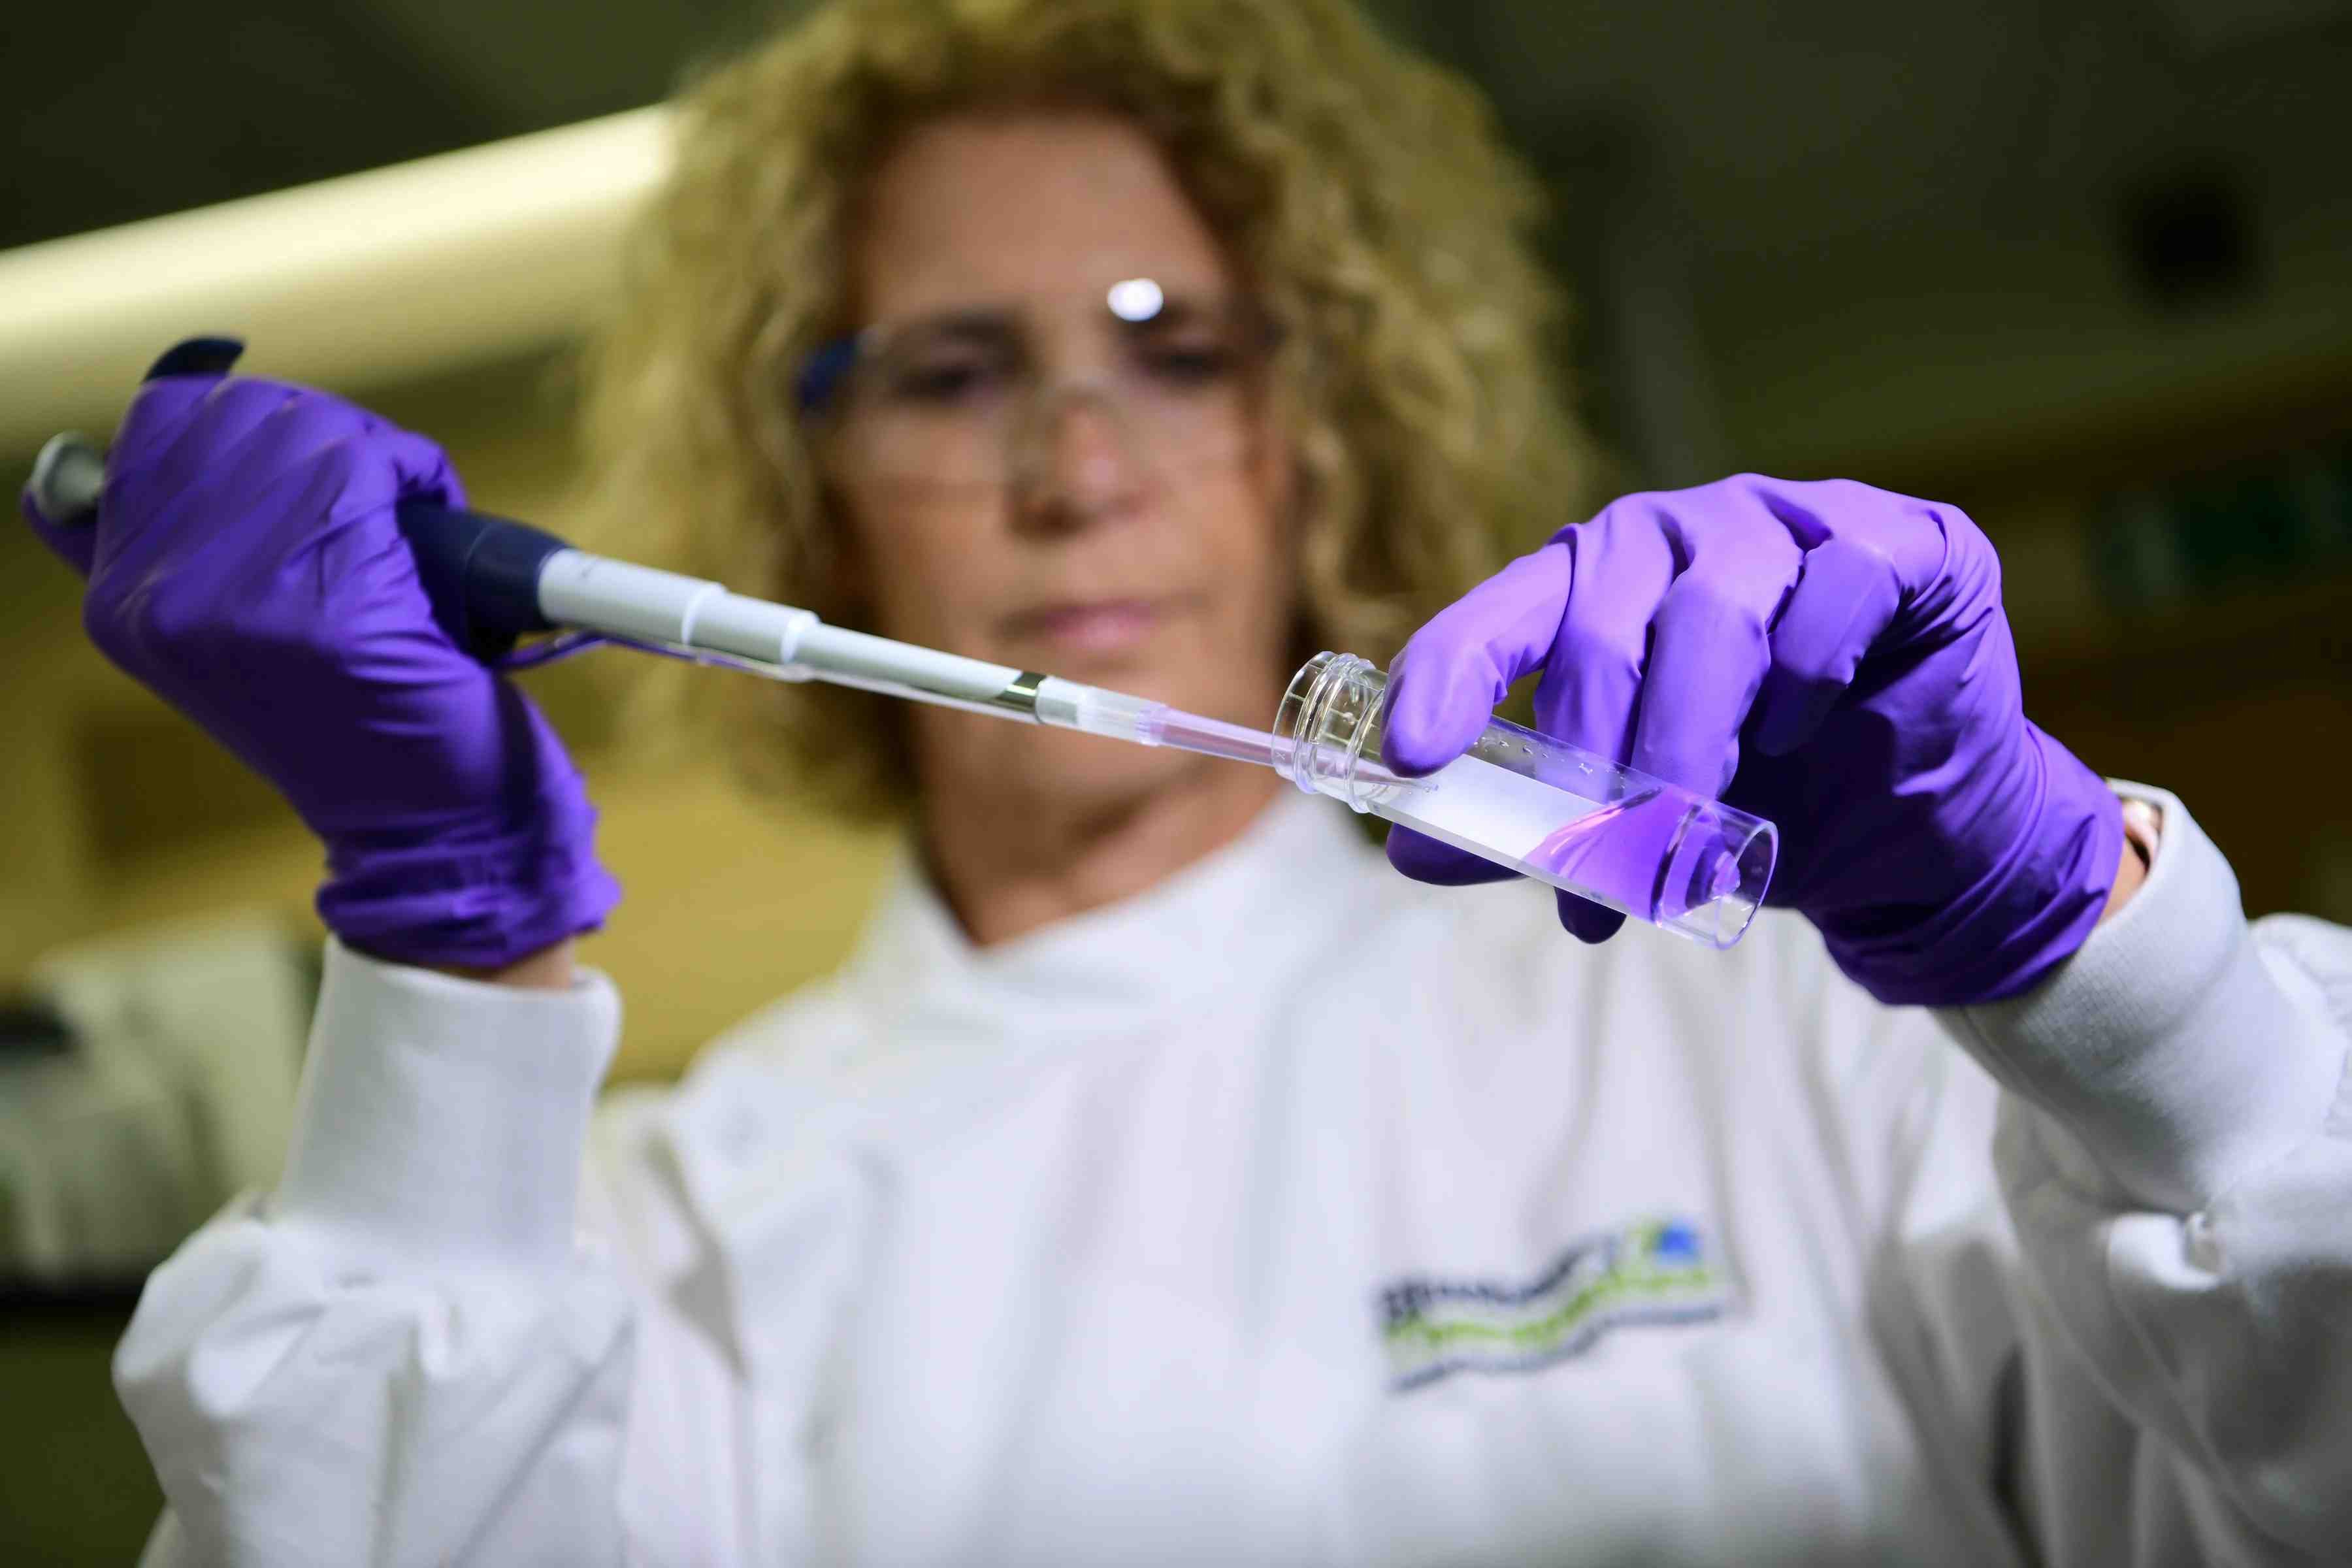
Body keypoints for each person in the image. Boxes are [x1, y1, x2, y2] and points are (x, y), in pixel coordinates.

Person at [22, 0, 2351, 1561]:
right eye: (949, 371)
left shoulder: (1758, 1019)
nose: (1074, 467)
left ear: (1312, 430)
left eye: (1172, 346)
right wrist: (447, 967)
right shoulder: (666, 1230)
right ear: (800, 482)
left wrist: (2110, 987)